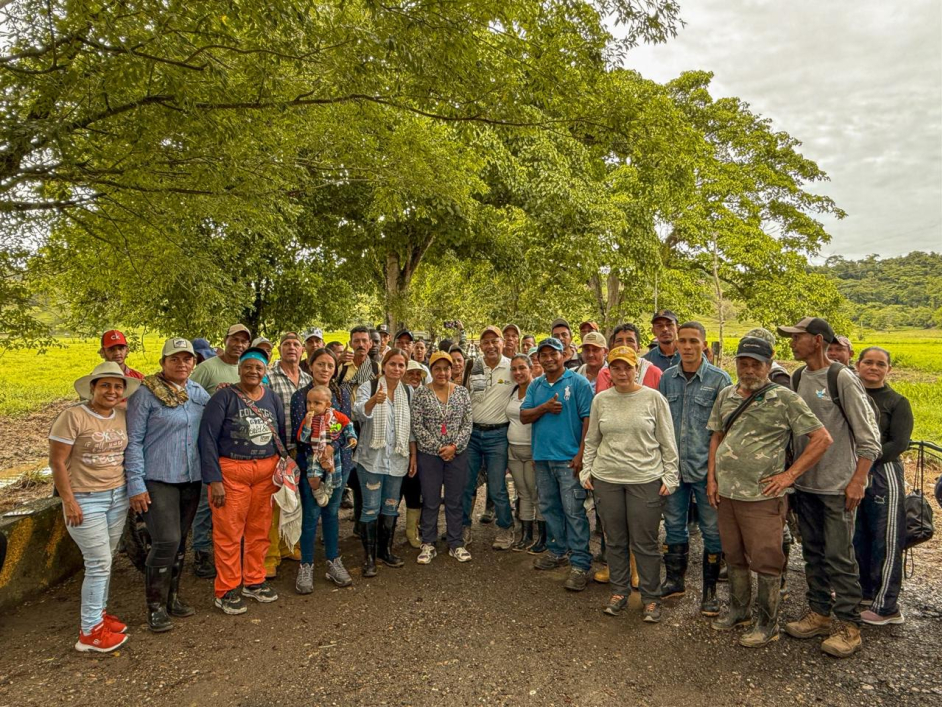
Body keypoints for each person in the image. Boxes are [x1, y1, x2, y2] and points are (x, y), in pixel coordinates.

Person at [707, 336, 832, 647]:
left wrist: (789, 476)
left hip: (762, 496)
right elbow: (717, 437)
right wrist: (712, 479)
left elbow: (822, 439)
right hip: (727, 493)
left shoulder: (784, 398)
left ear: (767, 366)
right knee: (733, 554)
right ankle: (739, 611)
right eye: (743, 363)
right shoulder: (726, 395)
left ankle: (767, 623)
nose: (749, 370)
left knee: (766, 559)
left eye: (756, 364)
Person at [778, 317, 881, 658]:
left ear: (818, 340)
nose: (793, 342)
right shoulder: (797, 377)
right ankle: (820, 614)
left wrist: (858, 480)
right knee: (813, 553)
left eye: (799, 337)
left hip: (837, 486)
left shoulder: (841, 378)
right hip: (805, 485)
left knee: (840, 557)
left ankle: (849, 626)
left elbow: (869, 437)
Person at [580, 346, 679, 621]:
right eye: (616, 368)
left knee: (645, 542)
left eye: (628, 367)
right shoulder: (601, 400)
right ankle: (619, 592)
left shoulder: (653, 398)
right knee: (614, 540)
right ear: (609, 371)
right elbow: (593, 439)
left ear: (637, 369)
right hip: (607, 478)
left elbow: (667, 440)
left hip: (644, 479)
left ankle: (651, 597)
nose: (622, 373)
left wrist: (671, 476)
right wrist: (587, 470)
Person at [49, 361, 140, 652]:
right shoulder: (73, 416)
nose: (112, 391)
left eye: (117, 386)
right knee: (98, 563)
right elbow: (57, 462)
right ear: (92, 388)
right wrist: (69, 500)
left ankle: (99, 615)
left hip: (116, 495)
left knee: (106, 559)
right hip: (85, 498)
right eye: (105, 385)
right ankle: (90, 632)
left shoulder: (121, 415)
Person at [125, 338, 209, 632]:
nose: (181, 364)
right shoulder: (145, 394)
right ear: (163, 363)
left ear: (194, 363)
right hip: (158, 477)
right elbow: (133, 441)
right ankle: (155, 606)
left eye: (187, 359)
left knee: (180, 540)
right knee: (166, 540)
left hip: (191, 477)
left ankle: (173, 598)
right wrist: (135, 483)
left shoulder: (197, 392)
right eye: (174, 359)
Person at [198, 346, 286, 615]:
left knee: (259, 530)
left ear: (265, 371)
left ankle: (254, 580)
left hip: (265, 474)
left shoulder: (272, 398)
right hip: (231, 472)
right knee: (228, 533)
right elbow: (207, 439)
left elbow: (280, 435)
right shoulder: (223, 397)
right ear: (239, 369)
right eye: (248, 366)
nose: (253, 371)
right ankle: (226, 589)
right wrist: (214, 479)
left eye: (258, 367)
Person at [657, 322, 732, 616]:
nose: (687, 346)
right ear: (676, 344)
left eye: (693, 341)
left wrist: (716, 474)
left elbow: (725, 430)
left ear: (704, 345)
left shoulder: (719, 380)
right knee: (674, 525)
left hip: (706, 469)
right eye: (683, 341)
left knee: (712, 530)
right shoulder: (667, 379)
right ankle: (675, 581)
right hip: (674, 469)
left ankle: (710, 592)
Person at [521, 337, 594, 591]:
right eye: (544, 355)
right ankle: (558, 550)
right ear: (538, 359)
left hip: (569, 459)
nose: (549, 358)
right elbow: (524, 415)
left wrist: (581, 454)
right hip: (542, 458)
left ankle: (581, 563)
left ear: (563, 355)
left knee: (573, 511)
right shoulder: (536, 385)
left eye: (554, 354)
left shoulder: (578, 382)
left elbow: (588, 420)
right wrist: (544, 407)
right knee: (550, 507)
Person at [853, 347, 913, 625]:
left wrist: (866, 458)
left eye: (880, 364)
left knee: (886, 538)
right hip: (853, 471)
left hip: (883, 472)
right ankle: (866, 591)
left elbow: (899, 443)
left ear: (888, 369)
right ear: (858, 365)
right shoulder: (852, 396)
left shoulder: (897, 402)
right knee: (858, 534)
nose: (873, 368)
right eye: (868, 362)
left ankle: (887, 606)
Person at [289, 348, 356, 589]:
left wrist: (332, 447)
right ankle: (306, 565)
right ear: (310, 365)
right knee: (311, 515)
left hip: (339, 463)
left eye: (330, 365)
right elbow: (300, 435)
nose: (325, 369)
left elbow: (345, 428)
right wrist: (320, 451)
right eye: (320, 364)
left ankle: (333, 561)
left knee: (332, 512)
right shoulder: (301, 396)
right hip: (311, 464)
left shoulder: (341, 394)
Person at [189, 323, 251, 579]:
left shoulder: (247, 368)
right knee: (208, 500)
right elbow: (187, 394)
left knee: (235, 503)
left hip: (239, 446)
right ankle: (201, 550)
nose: (239, 345)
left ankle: (235, 552)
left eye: (244, 341)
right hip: (212, 441)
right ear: (225, 340)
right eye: (235, 339)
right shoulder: (208, 368)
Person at [353, 348, 415, 576]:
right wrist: (373, 401)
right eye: (392, 364)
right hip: (371, 459)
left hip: (397, 459)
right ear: (384, 365)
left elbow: (411, 428)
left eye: (401, 365)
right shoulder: (368, 387)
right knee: (370, 507)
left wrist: (413, 455)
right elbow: (357, 413)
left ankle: (385, 551)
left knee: (390, 506)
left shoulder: (407, 391)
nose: (397, 369)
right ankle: (369, 557)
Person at [411, 351, 474, 564]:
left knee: (455, 500)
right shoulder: (421, 393)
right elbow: (417, 426)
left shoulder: (462, 392)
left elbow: (467, 423)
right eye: (437, 369)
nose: (442, 373)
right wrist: (440, 448)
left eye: (446, 369)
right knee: (430, 500)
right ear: (431, 370)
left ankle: (456, 543)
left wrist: (454, 447)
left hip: (457, 453)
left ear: (451, 370)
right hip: (430, 455)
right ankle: (428, 543)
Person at [462, 326, 516, 550]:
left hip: (498, 435)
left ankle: (505, 528)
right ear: (480, 346)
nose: (490, 346)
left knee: (497, 486)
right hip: (473, 434)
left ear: (503, 343)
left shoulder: (512, 367)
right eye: (486, 342)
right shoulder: (473, 366)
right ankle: (463, 527)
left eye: (495, 341)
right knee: (466, 484)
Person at [264, 333, 312, 578]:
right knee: (275, 504)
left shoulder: (308, 378)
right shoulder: (269, 376)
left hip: (301, 447)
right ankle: (270, 556)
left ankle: (289, 546)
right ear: (279, 349)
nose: (291, 348)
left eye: (295, 344)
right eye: (286, 344)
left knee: (295, 501)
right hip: (277, 448)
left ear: (302, 350)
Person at [506, 354, 545, 553]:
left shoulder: (538, 390)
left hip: (532, 450)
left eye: (522, 368)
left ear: (531, 368)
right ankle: (526, 535)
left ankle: (543, 537)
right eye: (514, 369)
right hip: (513, 450)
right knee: (522, 493)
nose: (518, 372)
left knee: (535, 492)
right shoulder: (513, 390)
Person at [597, 324, 662, 391]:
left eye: (630, 340)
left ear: (639, 347)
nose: (624, 345)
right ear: (613, 346)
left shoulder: (654, 373)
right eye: (619, 341)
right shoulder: (604, 374)